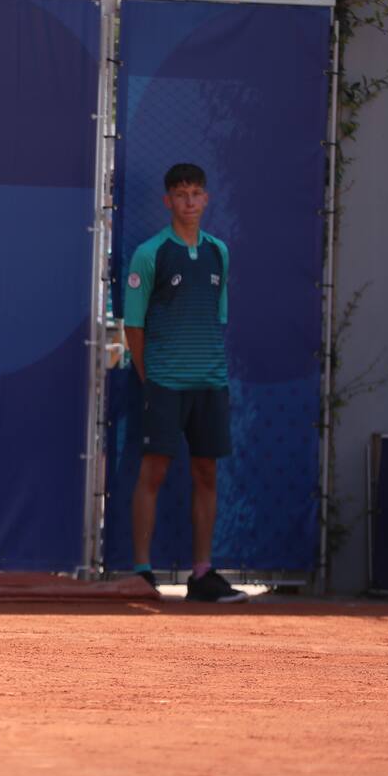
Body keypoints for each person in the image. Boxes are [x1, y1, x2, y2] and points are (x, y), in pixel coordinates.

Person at [123, 164, 247, 603]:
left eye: (196, 193)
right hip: (164, 384)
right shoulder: (149, 253)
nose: (189, 201)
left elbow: (219, 316)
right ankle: (141, 572)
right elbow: (133, 325)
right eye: (180, 194)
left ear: (206, 200)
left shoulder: (219, 252)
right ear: (167, 201)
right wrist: (149, 376)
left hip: (211, 384)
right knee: (152, 472)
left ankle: (201, 574)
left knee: (206, 472)